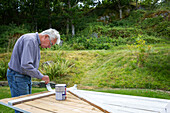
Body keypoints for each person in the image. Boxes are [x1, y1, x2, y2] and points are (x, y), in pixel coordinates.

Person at [7, 28, 60, 113]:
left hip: (23, 76)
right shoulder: (30, 40)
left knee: (27, 106)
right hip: (17, 76)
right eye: (50, 44)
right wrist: (41, 76)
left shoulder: (34, 42)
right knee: (22, 108)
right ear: (46, 36)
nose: (49, 47)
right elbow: (26, 65)